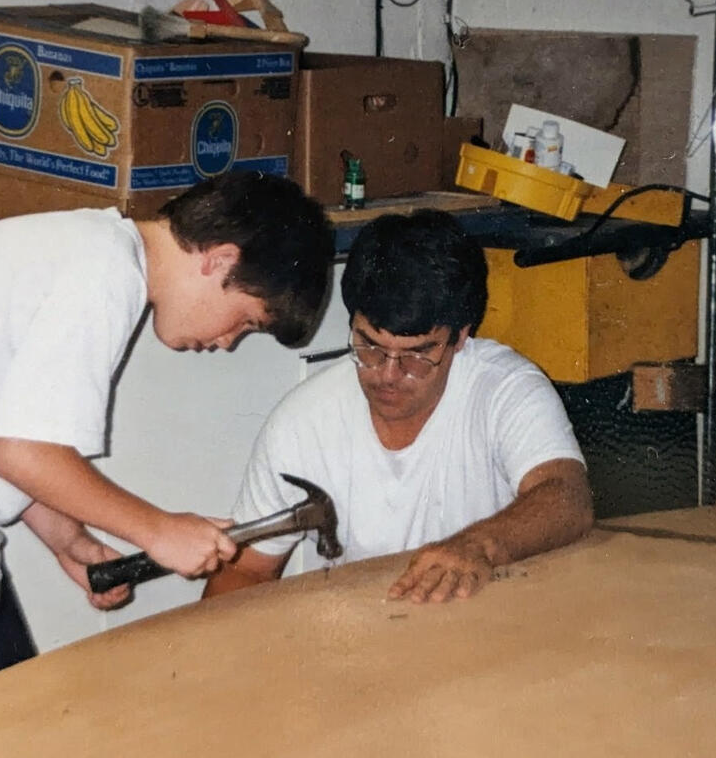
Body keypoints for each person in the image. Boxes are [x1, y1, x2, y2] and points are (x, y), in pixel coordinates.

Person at [0, 171, 334, 712]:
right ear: (219, 260)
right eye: (244, 321)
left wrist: (68, 540)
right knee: (5, 730)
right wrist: (160, 530)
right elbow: (23, 453)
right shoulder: (103, 273)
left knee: (10, 724)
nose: (227, 343)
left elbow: (3, 433)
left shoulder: (88, 249)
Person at [202, 209, 593, 604]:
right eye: (369, 345)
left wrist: (478, 546)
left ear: (460, 338)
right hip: (367, 637)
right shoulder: (302, 422)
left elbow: (567, 497)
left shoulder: (506, 390)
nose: (388, 375)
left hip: (488, 631)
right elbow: (247, 570)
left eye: (416, 355)